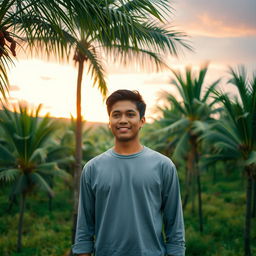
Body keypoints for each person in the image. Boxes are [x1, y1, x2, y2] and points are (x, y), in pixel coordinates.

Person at [72, 89, 185, 256]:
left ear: (142, 121)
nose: (123, 120)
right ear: (109, 121)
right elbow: (84, 228)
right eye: (116, 115)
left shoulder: (163, 166)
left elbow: (174, 225)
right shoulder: (92, 168)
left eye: (130, 114)